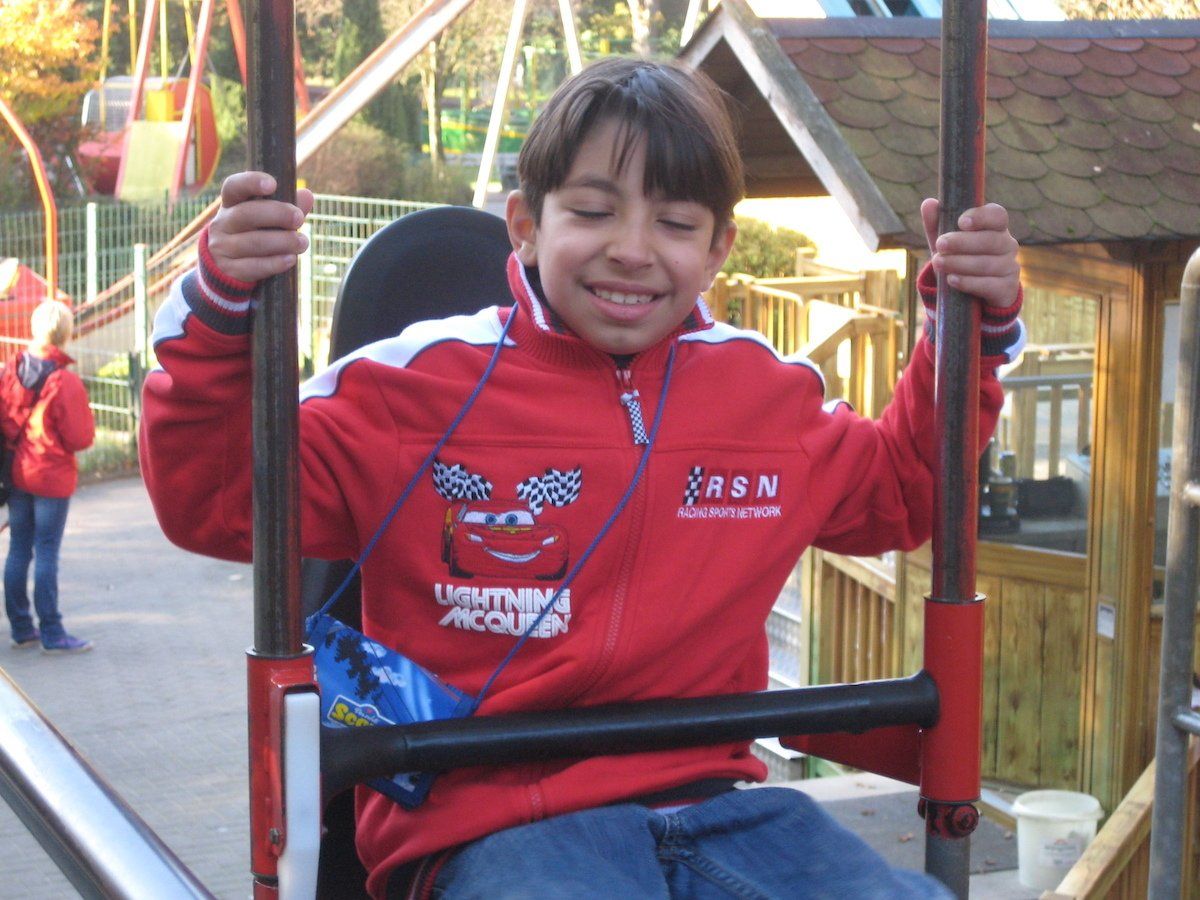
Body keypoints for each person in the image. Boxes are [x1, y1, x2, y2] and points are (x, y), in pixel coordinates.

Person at [141, 58, 1022, 899]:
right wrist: (218, 315)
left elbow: (904, 492)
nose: (633, 251)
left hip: (713, 801)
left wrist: (964, 333)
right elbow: (217, 500)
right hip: (494, 821)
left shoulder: (764, 398)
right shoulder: (411, 389)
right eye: (595, 212)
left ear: (719, 247)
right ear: (526, 224)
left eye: (676, 225)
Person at [1, 299, 96, 654]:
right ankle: (53, 633)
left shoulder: (9, 371)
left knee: (18, 549)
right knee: (46, 552)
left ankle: (21, 628)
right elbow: (80, 437)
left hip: (16, 473)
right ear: (65, 334)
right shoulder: (64, 381)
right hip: (51, 477)